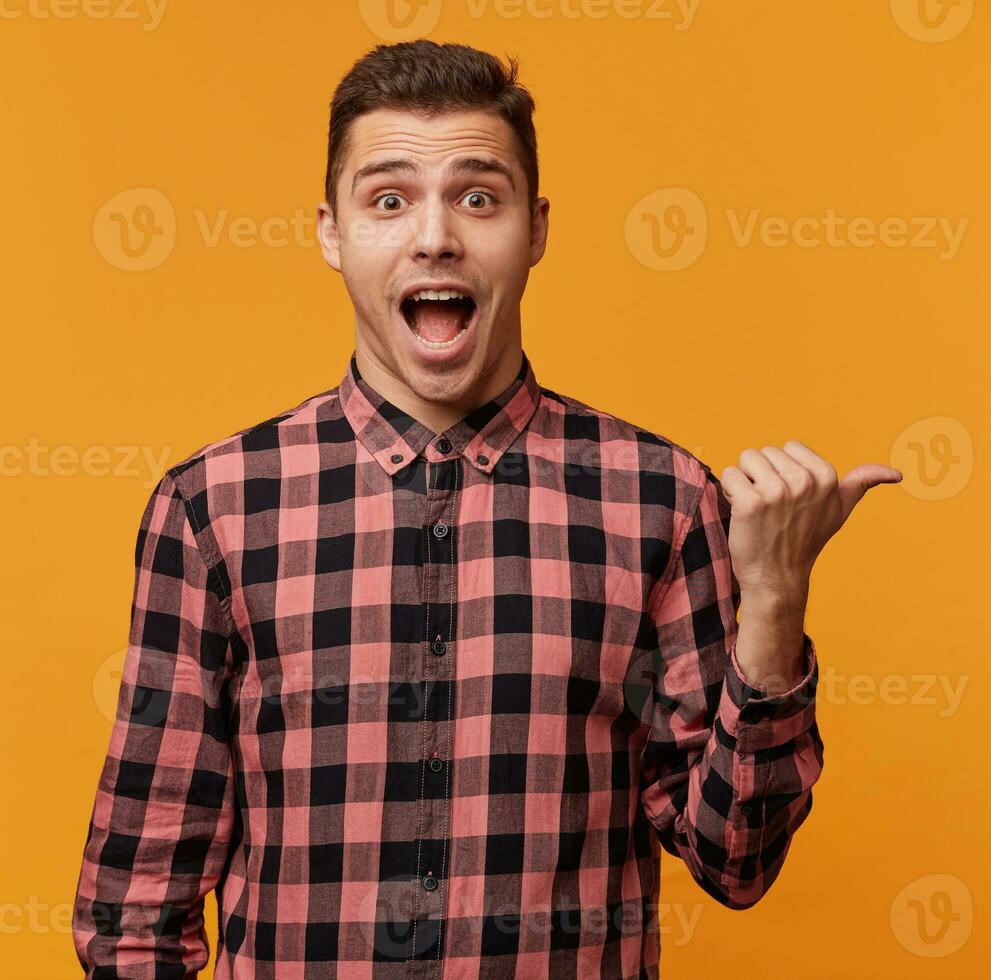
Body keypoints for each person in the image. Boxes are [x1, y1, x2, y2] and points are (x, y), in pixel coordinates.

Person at [71, 39, 902, 978]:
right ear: (331, 232)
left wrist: (776, 604)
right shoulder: (214, 508)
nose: (436, 237)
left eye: (478, 197)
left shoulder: (662, 499)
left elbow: (735, 859)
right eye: (389, 199)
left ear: (535, 229)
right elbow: (137, 912)